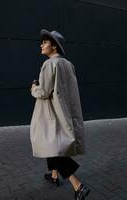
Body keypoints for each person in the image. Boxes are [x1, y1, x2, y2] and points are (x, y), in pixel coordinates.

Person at [30, 29, 91, 200]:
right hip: (65, 112)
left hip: (52, 113)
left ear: (54, 46)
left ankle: (78, 186)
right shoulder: (68, 64)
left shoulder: (49, 64)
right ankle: (55, 176)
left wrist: (34, 89)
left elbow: (44, 92)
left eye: (45, 42)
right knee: (52, 144)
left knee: (53, 147)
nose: (41, 45)